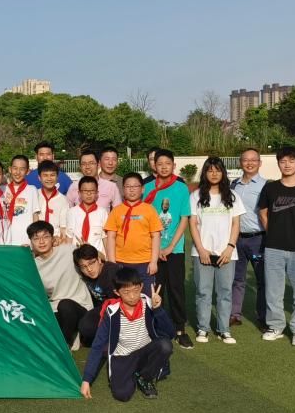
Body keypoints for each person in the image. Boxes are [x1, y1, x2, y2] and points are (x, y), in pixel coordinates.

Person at [80, 269, 173, 402]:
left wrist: (158, 309)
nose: (132, 296)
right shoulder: (112, 312)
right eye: (126, 292)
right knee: (122, 395)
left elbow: (170, 334)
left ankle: (144, 377)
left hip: (145, 351)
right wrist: (86, 380)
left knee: (165, 345)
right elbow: (97, 345)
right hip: (123, 357)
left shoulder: (149, 302)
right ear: (117, 292)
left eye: (136, 290)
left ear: (141, 286)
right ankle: (135, 372)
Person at [258, 147, 295, 346]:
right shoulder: (270, 189)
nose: (287, 165)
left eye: (292, 161)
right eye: (283, 161)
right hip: (274, 247)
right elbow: (263, 213)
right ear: (278, 163)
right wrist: (274, 232)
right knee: (273, 291)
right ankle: (275, 326)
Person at [188, 158, 245, 345]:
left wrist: (230, 247)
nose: (214, 174)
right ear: (205, 173)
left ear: (223, 173)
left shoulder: (233, 196)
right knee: (203, 292)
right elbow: (193, 224)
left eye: (218, 170)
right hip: (202, 253)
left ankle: (224, 330)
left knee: (225, 292)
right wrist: (201, 249)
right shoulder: (196, 196)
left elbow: (236, 224)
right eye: (210, 170)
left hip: (226, 254)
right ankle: (203, 328)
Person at [142, 149, 193, 350]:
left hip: (175, 249)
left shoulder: (181, 188)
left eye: (167, 163)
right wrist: (155, 248)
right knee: (155, 290)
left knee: (176, 289)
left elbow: (184, 219)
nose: (163, 167)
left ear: (174, 165)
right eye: (159, 163)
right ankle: (159, 328)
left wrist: (171, 246)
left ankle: (180, 329)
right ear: (154, 165)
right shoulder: (146, 188)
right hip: (152, 249)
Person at [27, 222, 94, 348]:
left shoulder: (69, 251)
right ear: (31, 242)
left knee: (65, 305)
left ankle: (64, 347)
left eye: (45, 237)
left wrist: (88, 249)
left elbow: (95, 261)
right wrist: (23, 254)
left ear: (53, 238)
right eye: (36, 238)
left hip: (80, 306)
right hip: (55, 308)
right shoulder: (32, 265)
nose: (41, 242)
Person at [104, 172, 162, 293]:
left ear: (142, 189)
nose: (132, 190)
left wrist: (153, 262)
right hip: (121, 262)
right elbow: (111, 237)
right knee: (124, 296)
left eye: (135, 186)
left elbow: (156, 236)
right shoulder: (116, 211)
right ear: (123, 189)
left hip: (144, 263)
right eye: (128, 186)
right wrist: (112, 263)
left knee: (146, 297)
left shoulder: (149, 210)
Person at [230, 148, 268, 327]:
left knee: (262, 280)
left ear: (260, 163)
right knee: (237, 279)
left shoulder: (266, 185)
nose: (249, 163)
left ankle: (262, 317)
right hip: (237, 239)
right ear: (240, 162)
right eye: (246, 160)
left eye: (254, 160)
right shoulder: (233, 185)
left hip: (258, 239)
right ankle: (234, 314)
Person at [73, 244, 123, 345]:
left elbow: (120, 303)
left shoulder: (111, 272)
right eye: (84, 267)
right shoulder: (84, 274)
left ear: (99, 260)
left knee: (87, 326)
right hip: (100, 307)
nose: (89, 269)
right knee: (85, 326)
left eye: (91, 263)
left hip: (118, 308)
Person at [4, 155, 42, 246]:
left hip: (25, 240)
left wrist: (34, 240)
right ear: (10, 169)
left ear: (27, 171)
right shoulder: (3, 189)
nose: (18, 172)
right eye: (15, 168)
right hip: (4, 240)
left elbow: (35, 216)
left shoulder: (32, 189)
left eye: (22, 169)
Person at [67, 176, 109, 255]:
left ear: (97, 193)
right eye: (85, 191)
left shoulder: (103, 212)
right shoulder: (72, 212)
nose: (89, 194)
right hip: (76, 256)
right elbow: (69, 237)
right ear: (79, 193)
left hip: (97, 256)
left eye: (92, 191)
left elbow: (105, 237)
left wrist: (108, 258)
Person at [35, 160, 70, 243]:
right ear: (39, 178)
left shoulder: (63, 200)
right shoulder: (34, 195)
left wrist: (61, 240)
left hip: (55, 241)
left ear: (57, 177)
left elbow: (63, 227)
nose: (49, 178)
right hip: (36, 241)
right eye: (45, 175)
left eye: (52, 175)